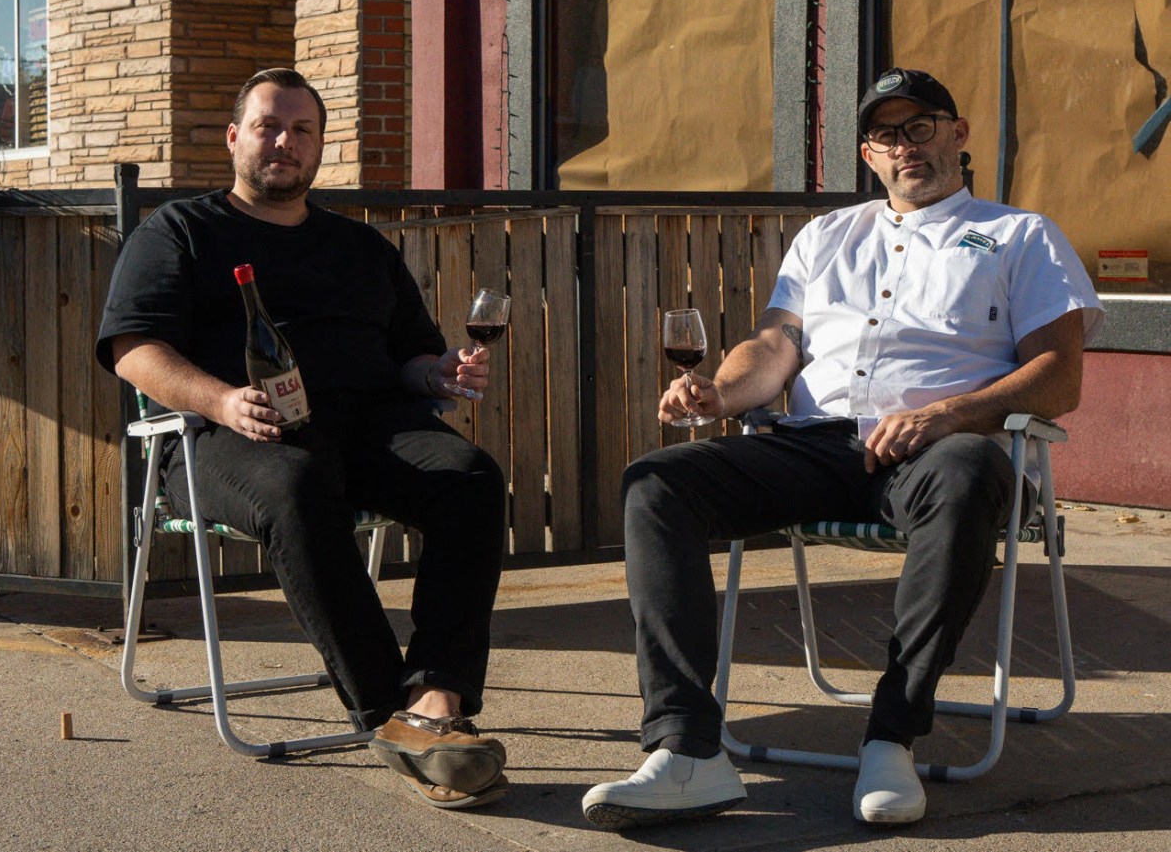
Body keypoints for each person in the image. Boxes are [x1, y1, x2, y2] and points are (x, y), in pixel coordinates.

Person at [582, 67, 1103, 830]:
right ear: (868, 153)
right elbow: (774, 345)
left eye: (920, 126)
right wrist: (719, 393)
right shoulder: (827, 237)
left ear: (958, 134)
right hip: (816, 445)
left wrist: (949, 414)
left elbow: (1060, 376)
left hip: (945, 456)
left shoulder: (1019, 235)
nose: (905, 145)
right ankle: (686, 749)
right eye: (887, 134)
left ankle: (892, 736)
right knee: (656, 483)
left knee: (964, 470)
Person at [96, 68, 509, 810]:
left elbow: (410, 356)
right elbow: (134, 350)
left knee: (470, 477)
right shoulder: (181, 231)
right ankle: (388, 711)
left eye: (301, 130)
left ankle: (437, 699)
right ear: (234, 138)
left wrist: (439, 373)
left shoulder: (360, 247)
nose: (284, 141)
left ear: (319, 147)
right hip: (226, 436)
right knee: (298, 485)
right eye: (268, 126)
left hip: (370, 426)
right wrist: (222, 400)